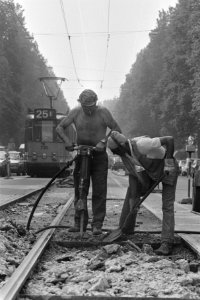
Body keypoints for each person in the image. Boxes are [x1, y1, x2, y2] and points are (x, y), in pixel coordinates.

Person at [56, 89, 121, 235]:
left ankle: (97, 225)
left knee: (99, 191)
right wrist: (67, 141)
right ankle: (79, 222)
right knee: (80, 189)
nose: (89, 109)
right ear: (81, 104)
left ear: (96, 103)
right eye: (86, 107)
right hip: (82, 155)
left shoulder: (103, 112)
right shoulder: (75, 112)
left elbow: (116, 129)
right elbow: (59, 127)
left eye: (92, 106)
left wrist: (103, 141)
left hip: (99, 157)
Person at [107, 131, 179, 255]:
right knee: (131, 194)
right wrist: (133, 203)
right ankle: (126, 229)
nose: (116, 154)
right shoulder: (126, 156)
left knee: (167, 205)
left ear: (122, 145)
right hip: (152, 172)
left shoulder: (142, 144)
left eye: (116, 151)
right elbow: (133, 177)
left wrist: (168, 163)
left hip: (168, 169)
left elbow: (169, 139)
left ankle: (167, 243)